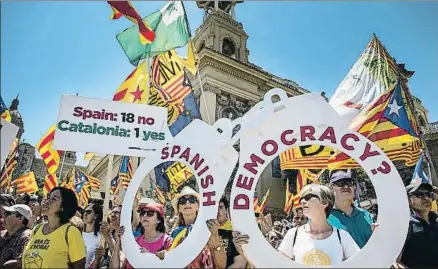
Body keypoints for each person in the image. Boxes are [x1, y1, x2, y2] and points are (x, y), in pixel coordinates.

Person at [233, 184, 360, 266]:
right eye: (302, 199)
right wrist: (245, 250)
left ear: (325, 202)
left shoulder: (342, 236)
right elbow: (274, 265)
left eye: (309, 197)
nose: (303, 201)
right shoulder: (293, 234)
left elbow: (363, 263)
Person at [159, 186, 227, 268]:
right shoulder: (174, 234)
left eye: (192, 200)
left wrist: (215, 237)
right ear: (178, 208)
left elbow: (222, 265)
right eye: (183, 201)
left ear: (198, 206)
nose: (187, 203)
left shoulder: (207, 229)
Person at [22, 187, 86, 269]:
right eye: (48, 197)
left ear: (63, 207)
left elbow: (79, 266)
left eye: (54, 199)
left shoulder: (71, 232)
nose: (48, 201)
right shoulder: (37, 229)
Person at [110, 202, 173, 268]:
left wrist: (151, 258)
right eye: (142, 213)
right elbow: (115, 267)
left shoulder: (167, 242)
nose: (145, 216)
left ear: (159, 219)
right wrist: (117, 242)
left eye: (150, 213)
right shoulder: (135, 242)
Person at [327, 170, 375, 248]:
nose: (346, 187)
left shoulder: (365, 215)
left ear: (354, 188)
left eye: (349, 183)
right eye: (340, 184)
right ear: (331, 189)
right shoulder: (324, 218)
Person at [398, 182, 438, 268]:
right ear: (408, 200)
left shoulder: (436, 219)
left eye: (428, 194)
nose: (426, 198)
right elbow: (394, 260)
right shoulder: (403, 225)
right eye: (419, 194)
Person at [215, 197, 247, 268]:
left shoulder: (236, 230)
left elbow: (240, 263)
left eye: (220, 207)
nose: (217, 210)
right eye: (214, 207)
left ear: (226, 210)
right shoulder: (204, 232)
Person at [0, 204, 32, 268]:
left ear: (20, 218)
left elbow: (21, 262)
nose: (3, 216)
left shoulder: (27, 236)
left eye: (8, 213)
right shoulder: (2, 234)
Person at [83, 203, 103, 268]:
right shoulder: (77, 233)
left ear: (96, 216)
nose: (85, 214)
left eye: (88, 212)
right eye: (84, 211)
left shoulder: (100, 238)